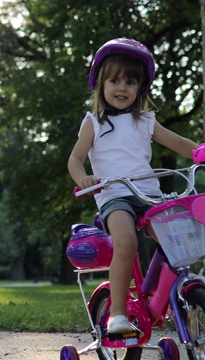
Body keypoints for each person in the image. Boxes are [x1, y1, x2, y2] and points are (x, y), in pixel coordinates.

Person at [68, 38, 198, 334]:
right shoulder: (94, 122)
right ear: (100, 84)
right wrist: (83, 179)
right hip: (114, 195)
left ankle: (158, 297)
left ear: (141, 88)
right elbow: (75, 159)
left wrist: (199, 152)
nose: (122, 87)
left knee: (179, 240)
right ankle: (117, 314)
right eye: (114, 80)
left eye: (130, 81)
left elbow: (178, 143)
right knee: (126, 242)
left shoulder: (146, 120)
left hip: (148, 195)